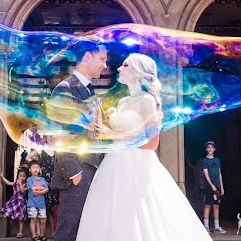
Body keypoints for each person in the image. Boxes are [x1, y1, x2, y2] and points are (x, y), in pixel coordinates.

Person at [75, 53, 211, 240]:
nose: (119, 68)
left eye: (126, 65)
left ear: (138, 72)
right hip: (114, 164)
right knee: (111, 215)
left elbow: (152, 143)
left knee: (137, 213)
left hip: (137, 165)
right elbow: (121, 137)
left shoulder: (147, 100)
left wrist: (114, 134)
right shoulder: (122, 102)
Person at [48, 41, 107, 241]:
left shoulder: (90, 91)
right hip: (78, 172)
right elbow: (58, 132)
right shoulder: (65, 88)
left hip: (93, 170)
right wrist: (74, 172)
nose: (105, 65)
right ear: (87, 57)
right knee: (69, 231)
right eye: (102, 59)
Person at [201, 141, 225, 233]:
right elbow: (206, 174)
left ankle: (217, 226)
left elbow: (219, 173)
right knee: (207, 205)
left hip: (217, 186)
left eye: (212, 147)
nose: (210, 149)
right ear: (206, 149)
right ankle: (206, 226)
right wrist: (211, 185)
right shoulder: (204, 160)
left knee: (216, 206)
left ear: (214, 149)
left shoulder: (217, 160)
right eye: (208, 147)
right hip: (209, 186)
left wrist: (221, 186)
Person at [1, 168, 29, 239]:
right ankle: (7, 217)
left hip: (21, 202)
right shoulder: (15, 182)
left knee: (21, 218)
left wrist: (20, 184)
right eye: (20, 176)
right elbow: (8, 183)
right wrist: (2, 177)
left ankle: (20, 232)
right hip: (15, 200)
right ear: (17, 177)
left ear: (26, 177)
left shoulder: (26, 185)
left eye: (23, 176)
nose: (22, 177)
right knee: (10, 209)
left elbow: (22, 191)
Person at [27, 160, 49, 241]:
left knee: (43, 220)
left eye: (37, 168)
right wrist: (41, 189)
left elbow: (46, 189)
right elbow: (33, 189)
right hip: (32, 203)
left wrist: (39, 191)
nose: (35, 169)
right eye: (33, 168)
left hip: (41, 203)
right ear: (30, 170)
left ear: (40, 169)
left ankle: (42, 235)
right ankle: (34, 236)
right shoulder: (29, 179)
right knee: (33, 219)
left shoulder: (43, 179)